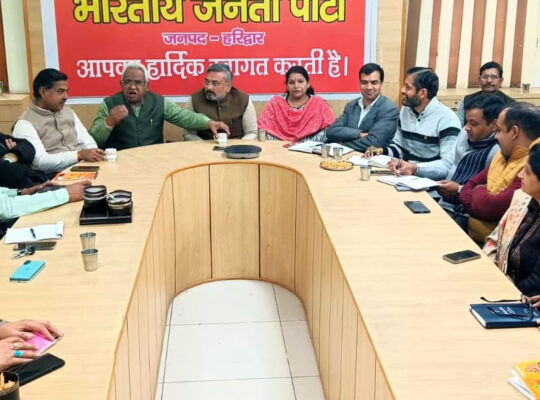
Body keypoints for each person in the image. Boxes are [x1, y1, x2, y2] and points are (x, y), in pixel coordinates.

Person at [89, 62, 229, 150]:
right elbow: (93, 139)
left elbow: (184, 116)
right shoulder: (109, 104)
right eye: (127, 82)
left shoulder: (159, 102)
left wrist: (208, 122)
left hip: (153, 161)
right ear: (121, 84)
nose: (132, 87)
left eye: (138, 83)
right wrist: (109, 121)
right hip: (121, 162)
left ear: (146, 86)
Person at [460, 103, 540, 243]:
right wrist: (484, 194)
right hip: (478, 234)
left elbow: (493, 208)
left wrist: (479, 190)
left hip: (499, 245)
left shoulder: (532, 163)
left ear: (514, 132)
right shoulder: (502, 154)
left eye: (499, 130)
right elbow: (467, 188)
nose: (495, 137)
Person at [366, 67, 460, 180]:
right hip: (404, 176)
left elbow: (447, 166)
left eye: (408, 87)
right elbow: (400, 148)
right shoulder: (406, 110)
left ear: (422, 93)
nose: (402, 90)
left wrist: (415, 168)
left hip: (429, 182)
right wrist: (381, 151)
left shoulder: (447, 119)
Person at [13, 69, 104, 174]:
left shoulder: (68, 111)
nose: (66, 97)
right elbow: (40, 162)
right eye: (60, 91)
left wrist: (93, 154)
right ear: (43, 92)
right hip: (51, 177)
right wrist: (78, 155)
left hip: (83, 169)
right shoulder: (24, 124)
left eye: (66, 91)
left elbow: (87, 141)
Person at [437, 94, 504, 230]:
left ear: (494, 125)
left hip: (468, 215)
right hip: (444, 204)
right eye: (467, 121)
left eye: (473, 124)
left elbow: (491, 192)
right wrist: (416, 168)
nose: (467, 127)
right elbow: (447, 163)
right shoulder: (465, 134)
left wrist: (459, 190)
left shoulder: (498, 150)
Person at [483, 143, 540, 297]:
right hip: (499, 284)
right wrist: (487, 274)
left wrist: (502, 291)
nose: (520, 175)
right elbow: (495, 241)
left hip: (521, 298)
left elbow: (535, 283)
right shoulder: (522, 199)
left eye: (526, 171)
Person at [326, 63, 399, 151]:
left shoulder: (389, 109)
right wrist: (359, 134)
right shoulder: (351, 105)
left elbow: (374, 142)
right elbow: (331, 131)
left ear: (381, 84)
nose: (369, 87)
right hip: (347, 156)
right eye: (364, 82)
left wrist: (342, 145)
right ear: (359, 83)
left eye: (374, 83)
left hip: (372, 157)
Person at [257, 65, 335, 142]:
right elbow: (262, 127)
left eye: (300, 82)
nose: (296, 86)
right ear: (287, 85)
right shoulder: (276, 103)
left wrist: (306, 143)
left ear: (308, 83)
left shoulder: (318, 103)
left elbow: (331, 128)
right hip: (279, 145)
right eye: (291, 82)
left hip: (310, 146)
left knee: (329, 133)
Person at [183, 64, 257, 140]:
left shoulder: (243, 100)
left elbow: (251, 133)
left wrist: (239, 146)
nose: (209, 87)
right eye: (207, 82)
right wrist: (204, 146)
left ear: (228, 86)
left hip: (237, 145)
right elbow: (189, 133)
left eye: (215, 83)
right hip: (203, 144)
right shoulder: (194, 99)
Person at [456, 61, 514, 126]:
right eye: (485, 77)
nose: (489, 81)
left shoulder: (511, 105)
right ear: (479, 80)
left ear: (501, 81)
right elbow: (458, 125)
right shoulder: (466, 100)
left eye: (494, 77)